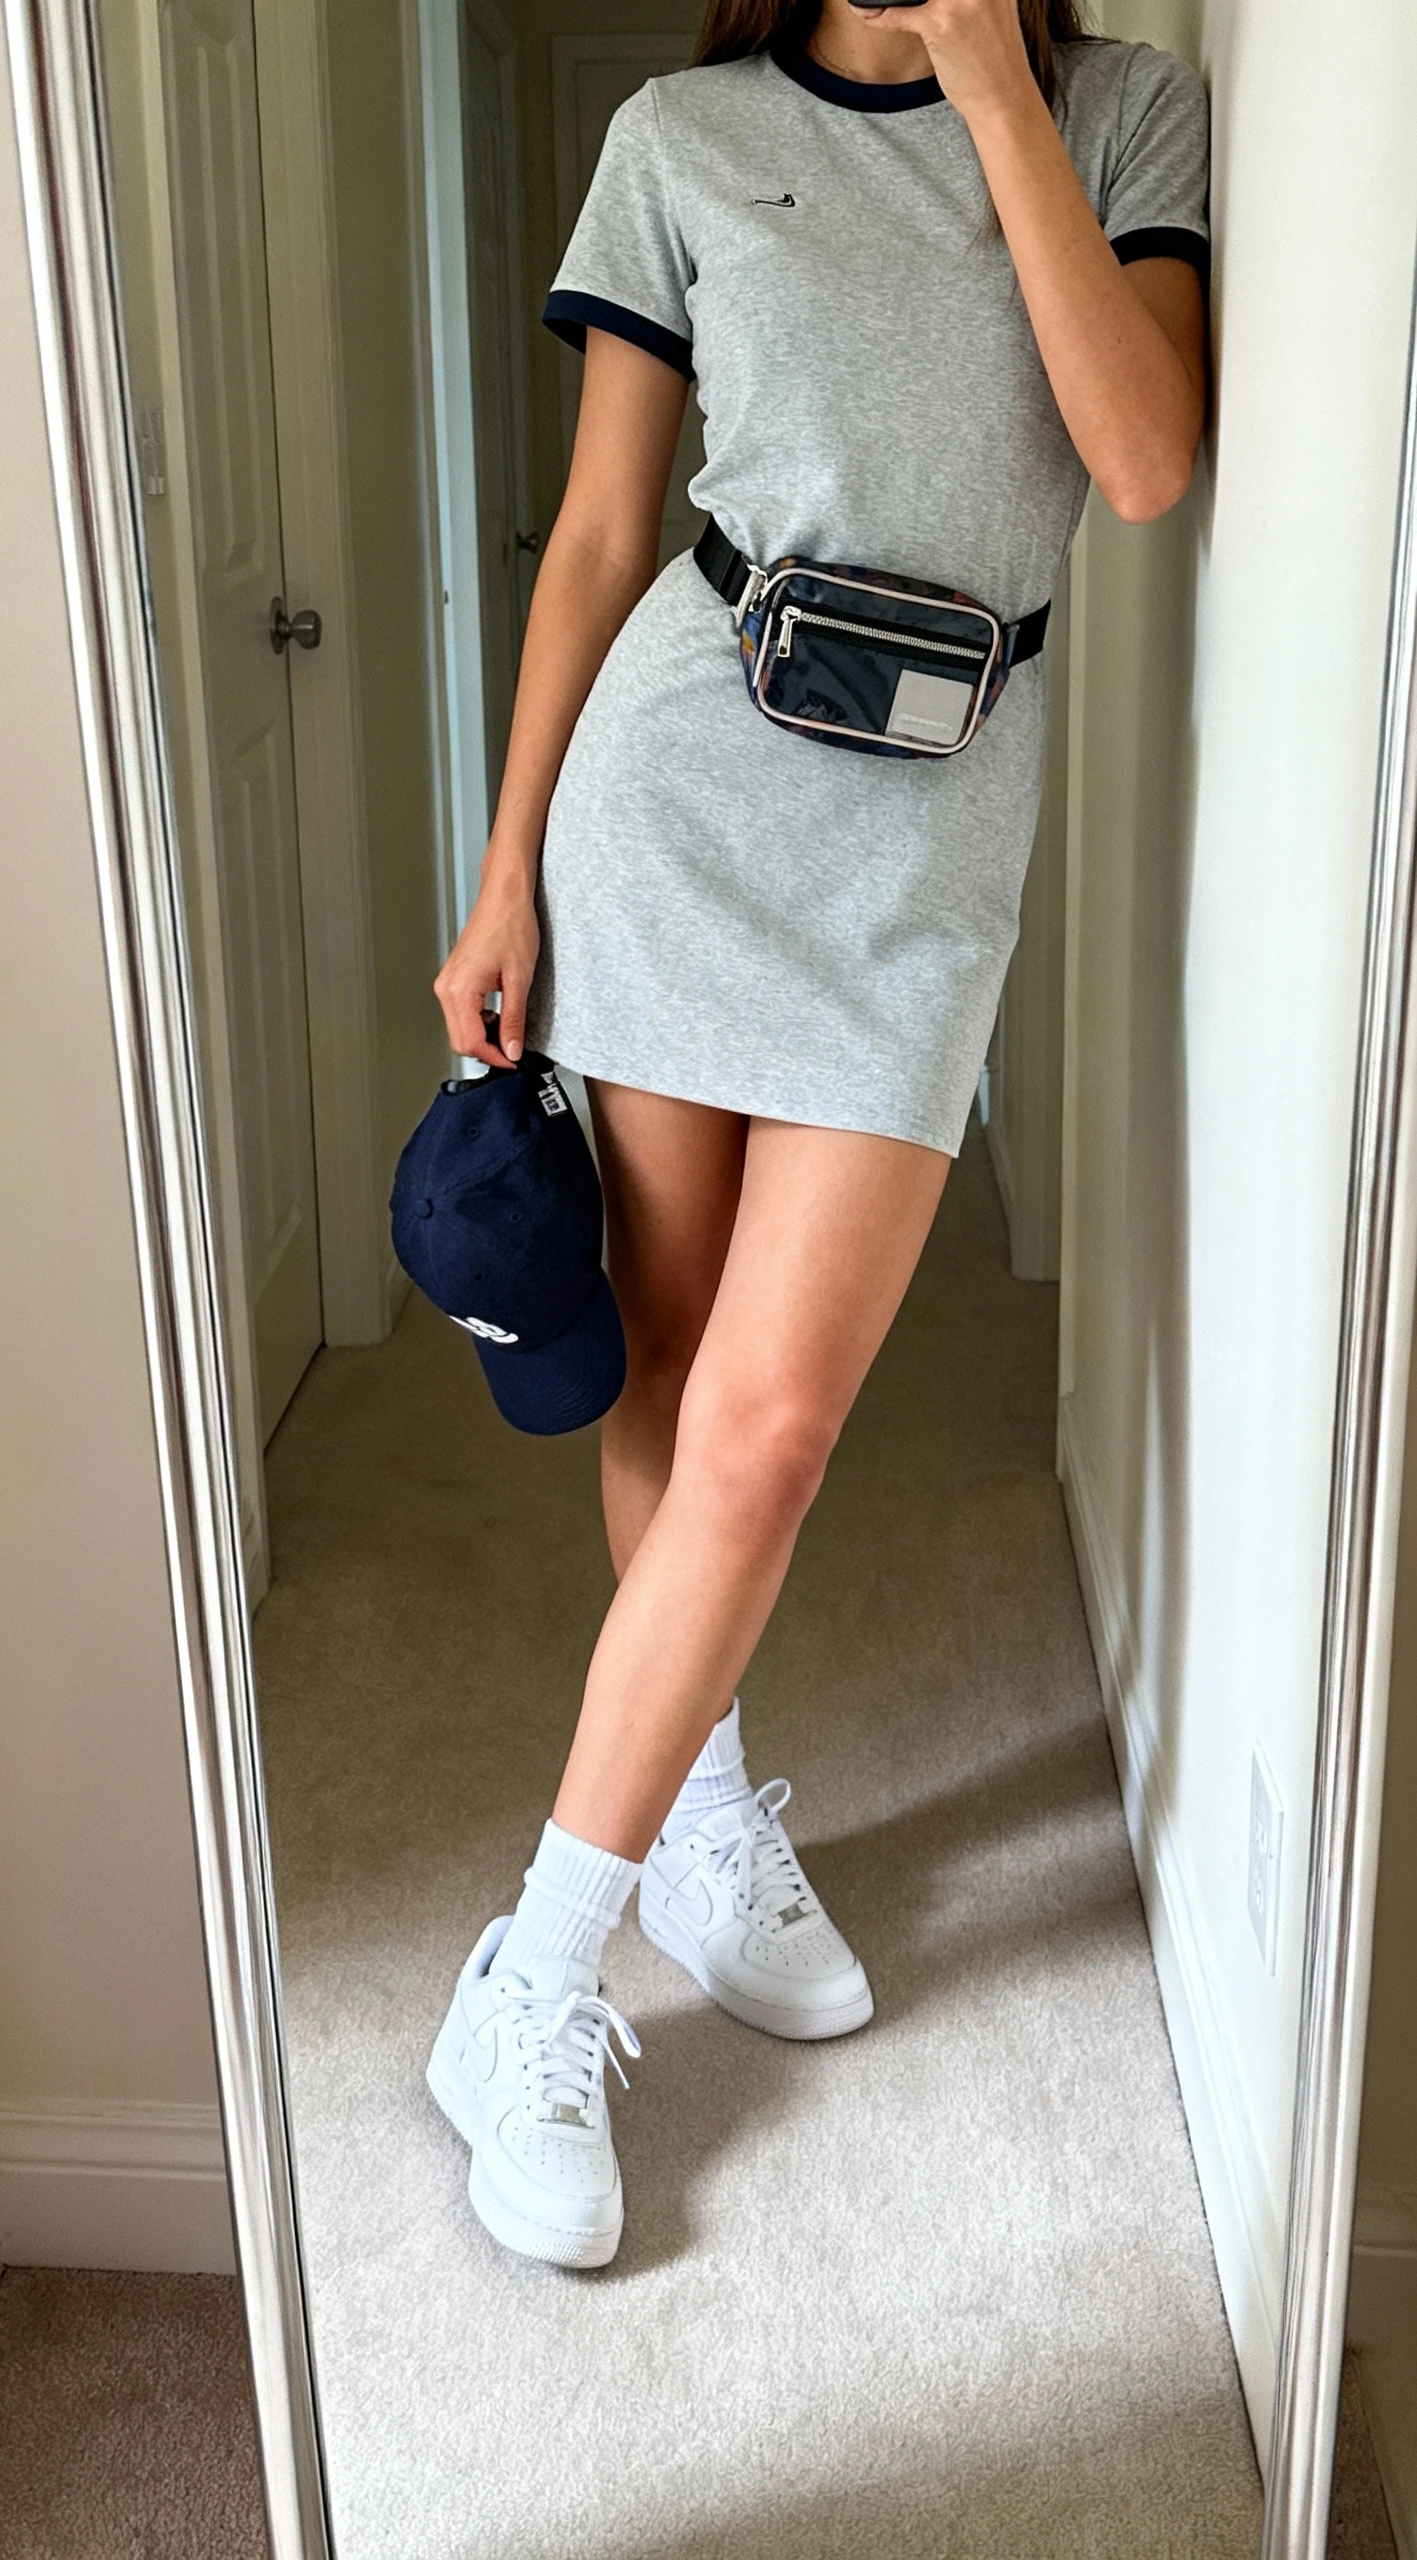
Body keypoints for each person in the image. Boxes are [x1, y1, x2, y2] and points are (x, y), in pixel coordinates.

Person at [425, 0, 1208, 2268]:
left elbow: (1144, 458)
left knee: (774, 1428)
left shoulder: (1121, 110)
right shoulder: (676, 136)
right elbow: (593, 535)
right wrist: (502, 875)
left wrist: (987, 80)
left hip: (923, 859)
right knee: (677, 1384)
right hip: (674, 801)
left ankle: (524, 1967)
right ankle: (676, 1835)